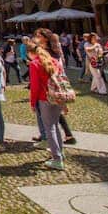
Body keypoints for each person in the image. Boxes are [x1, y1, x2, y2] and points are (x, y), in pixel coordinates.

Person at [30, 39, 66, 170]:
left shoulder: (35, 64)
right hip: (57, 97)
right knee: (56, 126)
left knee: (49, 128)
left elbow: (34, 87)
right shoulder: (55, 62)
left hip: (43, 98)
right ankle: (60, 153)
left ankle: (57, 159)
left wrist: (33, 103)